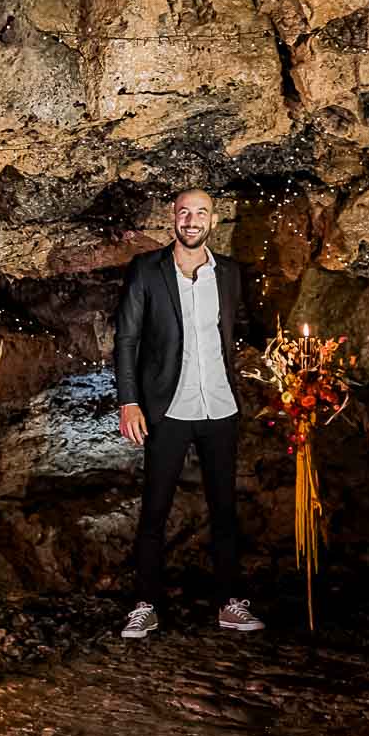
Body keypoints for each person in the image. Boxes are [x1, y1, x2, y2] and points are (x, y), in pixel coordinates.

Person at [113, 188, 265, 639]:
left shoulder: (231, 274)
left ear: (213, 221)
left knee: (225, 509)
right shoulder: (147, 270)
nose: (192, 220)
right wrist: (129, 401)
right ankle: (145, 604)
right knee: (155, 510)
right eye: (184, 213)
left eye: (201, 213)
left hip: (220, 405)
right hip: (167, 408)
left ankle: (229, 602)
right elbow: (126, 339)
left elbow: (239, 331)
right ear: (173, 219)